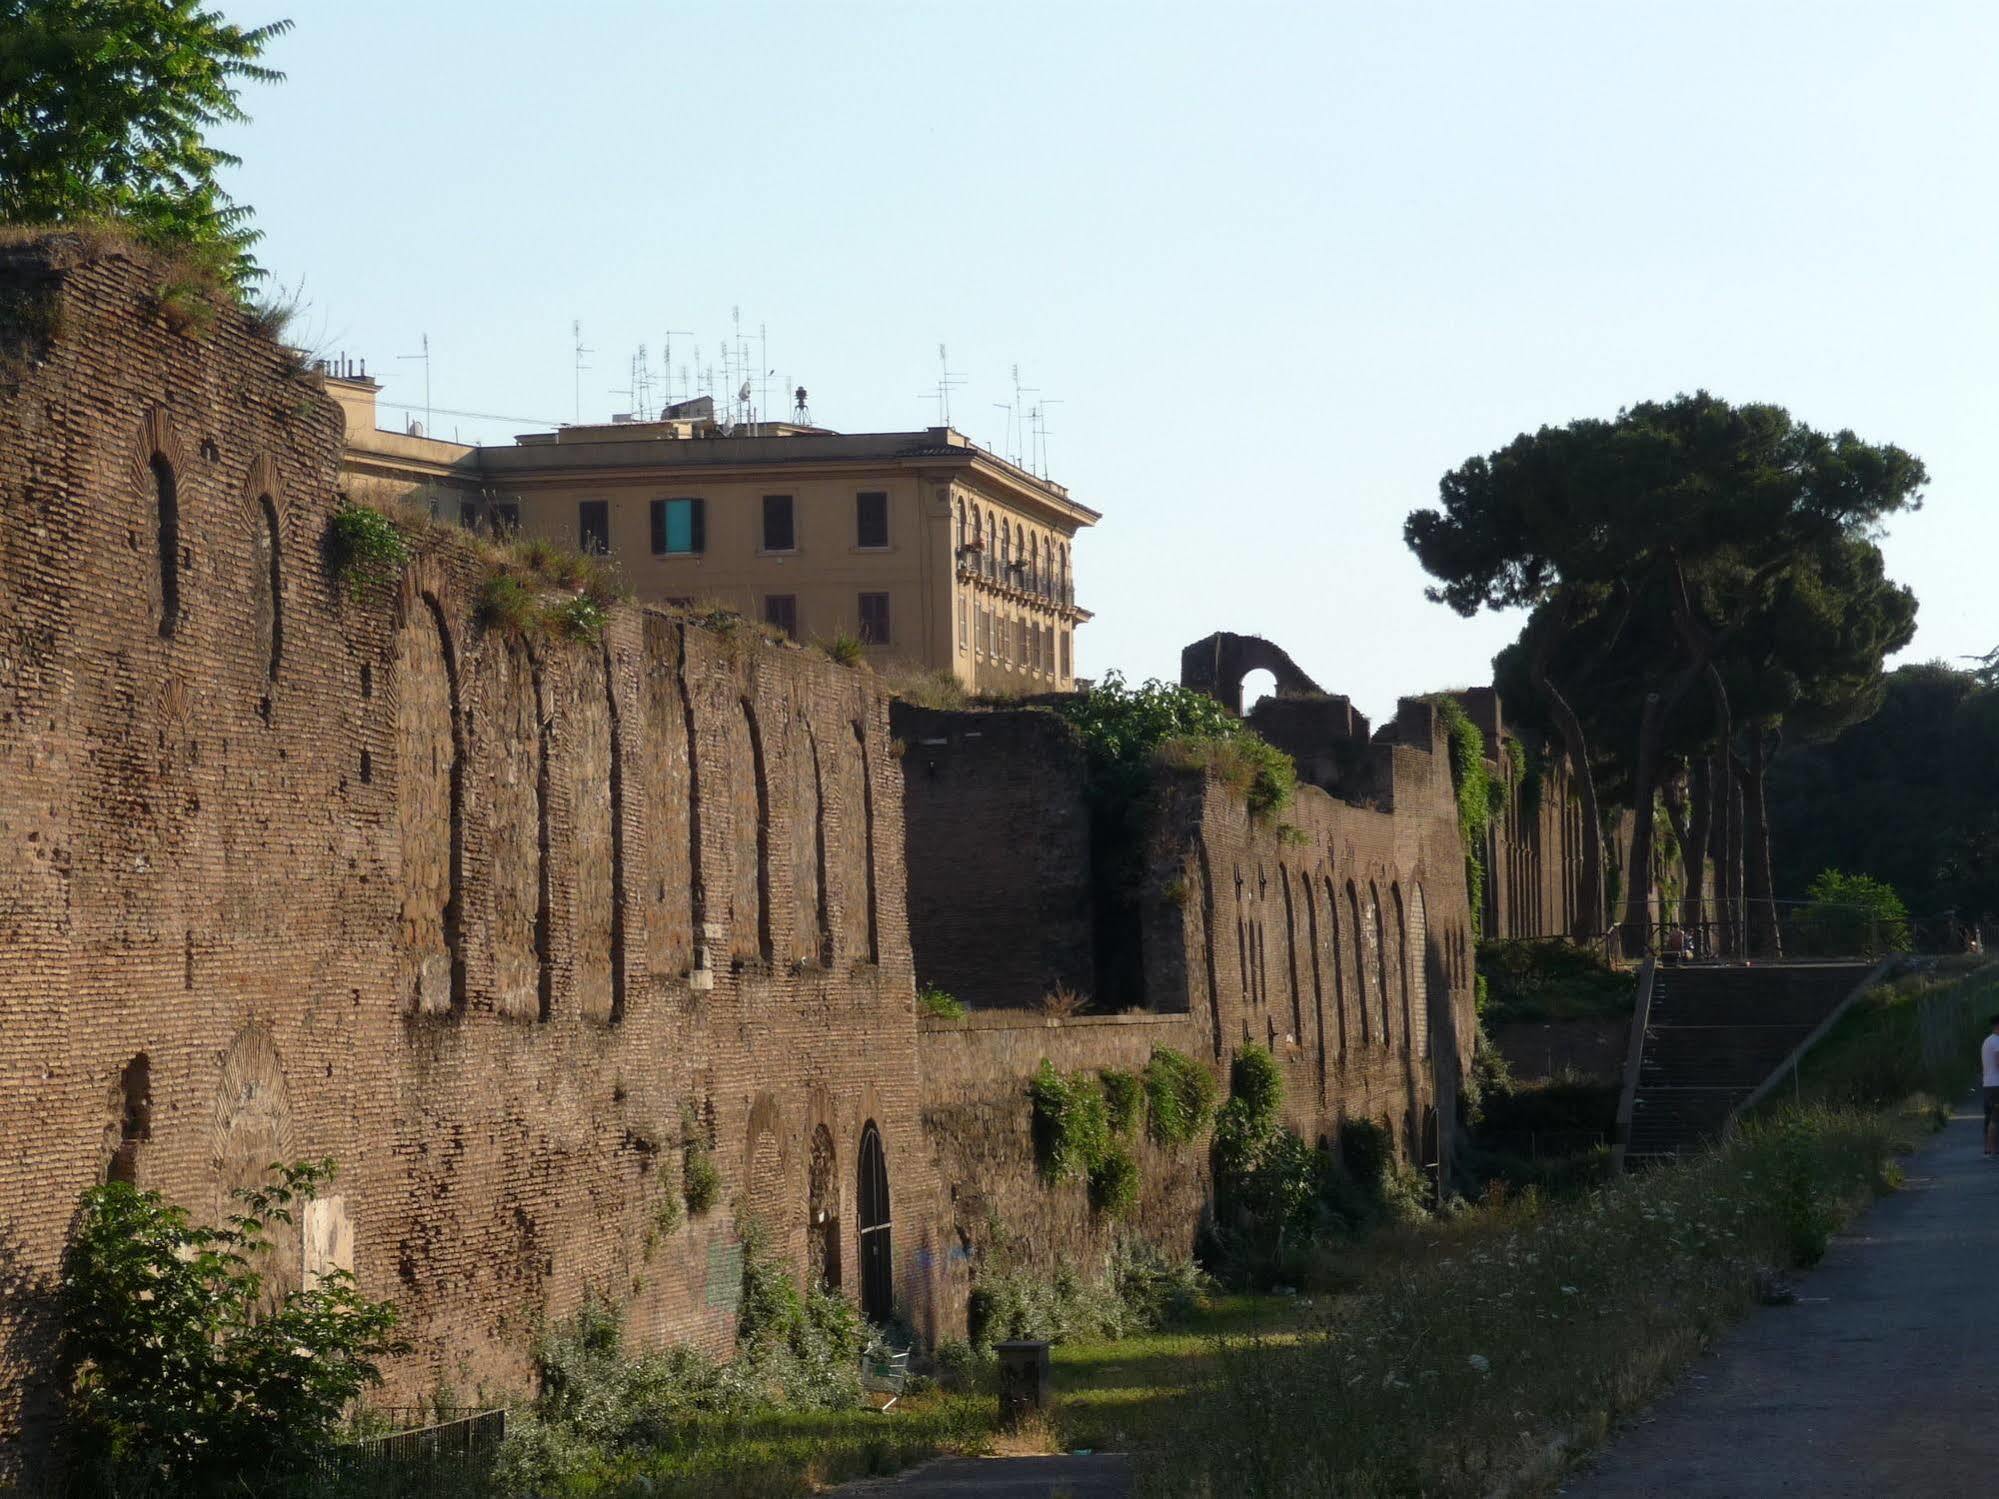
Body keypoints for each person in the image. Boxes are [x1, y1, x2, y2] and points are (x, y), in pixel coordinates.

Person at [1984, 1015, 1999, 1158]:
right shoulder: (1996, 1042)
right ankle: (1993, 1150)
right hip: (1996, 1085)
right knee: (1995, 1117)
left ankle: (1990, 1149)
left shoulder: (1987, 1041)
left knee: (1992, 1117)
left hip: (1989, 1084)